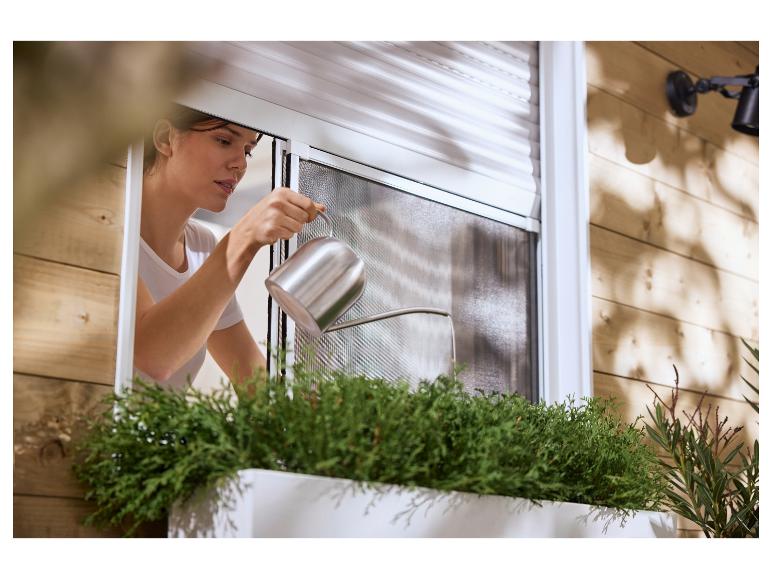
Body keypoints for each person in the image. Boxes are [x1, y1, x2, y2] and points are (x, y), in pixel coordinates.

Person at [133, 105, 325, 391]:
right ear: (165, 138)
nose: (241, 164)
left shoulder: (202, 247)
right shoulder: (111, 229)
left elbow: (255, 384)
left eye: (248, 150)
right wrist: (245, 238)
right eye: (224, 141)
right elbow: (153, 356)